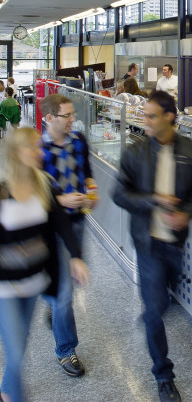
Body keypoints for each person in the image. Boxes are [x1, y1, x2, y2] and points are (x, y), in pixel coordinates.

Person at [113, 90, 192, 402]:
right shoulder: (136, 152)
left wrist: (185, 213)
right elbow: (118, 194)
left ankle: (155, 307)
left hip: (176, 244)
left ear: (170, 117)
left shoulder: (191, 151)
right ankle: (163, 375)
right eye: (145, 114)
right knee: (154, 310)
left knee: (165, 302)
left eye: (151, 115)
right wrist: (153, 200)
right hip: (148, 244)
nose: (145, 120)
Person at [0, 127, 89, 402]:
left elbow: (61, 223)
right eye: (32, 148)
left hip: (35, 279)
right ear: (16, 153)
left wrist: (75, 257)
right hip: (5, 285)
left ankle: (5, 390)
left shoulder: (44, 183)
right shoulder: (2, 189)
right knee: (15, 351)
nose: (39, 153)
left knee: (20, 346)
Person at [40, 94, 98, 377]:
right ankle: (66, 351)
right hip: (50, 229)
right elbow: (34, 197)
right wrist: (62, 201)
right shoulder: (37, 151)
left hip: (77, 224)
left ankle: (53, 303)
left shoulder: (78, 142)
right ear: (50, 118)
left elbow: (86, 173)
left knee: (71, 280)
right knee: (63, 294)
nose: (73, 120)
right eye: (67, 115)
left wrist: (91, 189)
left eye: (73, 114)